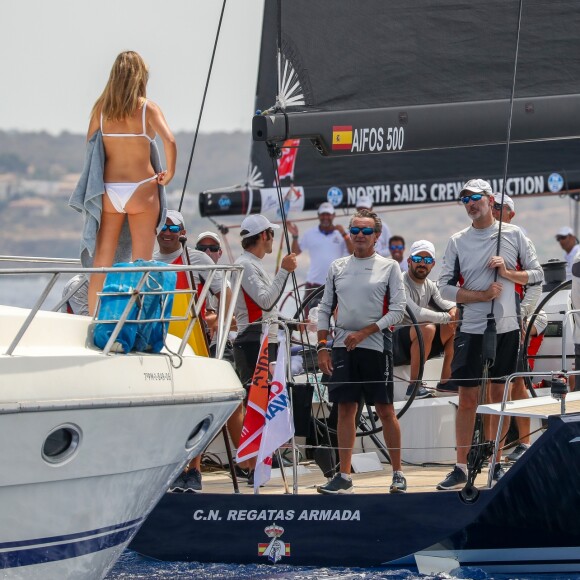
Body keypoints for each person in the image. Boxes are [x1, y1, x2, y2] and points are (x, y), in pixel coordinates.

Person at [436, 178, 543, 490]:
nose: (470, 203)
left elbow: (536, 275)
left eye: (476, 197)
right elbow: (444, 287)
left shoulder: (514, 234)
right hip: (471, 328)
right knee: (467, 397)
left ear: (490, 199)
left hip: (507, 327)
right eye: (465, 198)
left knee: (500, 395)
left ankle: (495, 462)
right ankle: (460, 465)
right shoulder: (457, 240)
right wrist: (480, 295)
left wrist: (508, 272)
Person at [316, 209, 407, 494]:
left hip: (376, 346)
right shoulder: (337, 267)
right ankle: (343, 476)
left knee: (385, 410)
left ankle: (398, 473)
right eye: (355, 230)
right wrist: (322, 346)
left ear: (377, 236)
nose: (359, 235)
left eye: (366, 231)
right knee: (345, 409)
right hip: (343, 347)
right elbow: (324, 308)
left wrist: (366, 332)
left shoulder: (389, 267)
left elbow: (398, 311)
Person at [85, 51, 177, 314]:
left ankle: (94, 318)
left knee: (102, 259)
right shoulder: (148, 107)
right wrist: (169, 174)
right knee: (141, 261)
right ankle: (134, 323)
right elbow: (169, 141)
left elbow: (91, 148)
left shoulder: (101, 109)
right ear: (141, 76)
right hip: (142, 189)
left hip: (109, 189)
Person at [153, 211, 233, 493]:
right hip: (159, 342)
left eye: (174, 227)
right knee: (169, 408)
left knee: (197, 406)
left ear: (182, 232)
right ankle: (173, 468)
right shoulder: (150, 261)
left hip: (193, 341)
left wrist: (219, 327)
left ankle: (195, 468)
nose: (167, 232)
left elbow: (225, 293)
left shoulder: (195, 259)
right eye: (163, 226)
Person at [233, 214, 297, 484]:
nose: (273, 238)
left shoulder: (251, 264)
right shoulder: (246, 265)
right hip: (253, 343)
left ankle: (260, 460)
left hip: (262, 342)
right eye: (271, 233)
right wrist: (284, 270)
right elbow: (266, 301)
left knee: (265, 400)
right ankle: (253, 465)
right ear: (263, 237)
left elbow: (266, 308)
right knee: (257, 401)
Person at [492, 192, 546, 461]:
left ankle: (523, 444)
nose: (495, 210)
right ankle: (494, 451)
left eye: (501, 207)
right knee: (492, 385)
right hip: (489, 323)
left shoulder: (519, 237)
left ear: (511, 213)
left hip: (515, 320)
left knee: (516, 383)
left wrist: (521, 314)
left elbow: (536, 282)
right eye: (493, 205)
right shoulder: (480, 238)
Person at [392, 240, 458, 399]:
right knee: (428, 327)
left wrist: (455, 311)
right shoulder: (399, 281)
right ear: (409, 261)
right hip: (392, 344)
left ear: (433, 264)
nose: (422, 263)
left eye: (427, 260)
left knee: (454, 328)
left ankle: (446, 383)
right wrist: (447, 317)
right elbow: (417, 313)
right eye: (417, 259)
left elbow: (445, 304)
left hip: (418, 341)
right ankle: (414, 387)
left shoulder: (430, 285)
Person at [287, 202, 352, 308]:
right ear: (318, 216)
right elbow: (295, 253)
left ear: (334, 215)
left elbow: (353, 251)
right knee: (309, 320)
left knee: (337, 320)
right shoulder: (309, 233)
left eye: (328, 214)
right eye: (323, 214)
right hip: (314, 284)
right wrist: (295, 236)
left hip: (335, 284)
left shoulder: (342, 234)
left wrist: (344, 235)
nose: (325, 217)